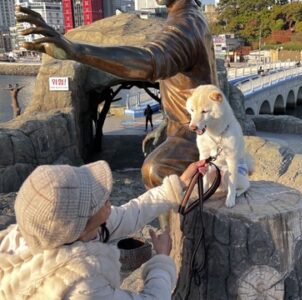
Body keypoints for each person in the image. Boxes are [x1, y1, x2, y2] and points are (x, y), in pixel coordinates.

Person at [16, 0, 218, 190]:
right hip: (192, 124)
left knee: (155, 170)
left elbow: (151, 61)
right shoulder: (189, 17)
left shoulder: (185, 25)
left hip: (196, 131)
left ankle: (178, 226)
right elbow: (187, 83)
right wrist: (167, 123)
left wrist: (75, 50)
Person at [0, 159, 208, 299]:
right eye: (97, 200)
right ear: (80, 228)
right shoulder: (80, 286)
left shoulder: (45, 230)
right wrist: (162, 260)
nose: (106, 198)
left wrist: (178, 185)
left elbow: (131, 213)